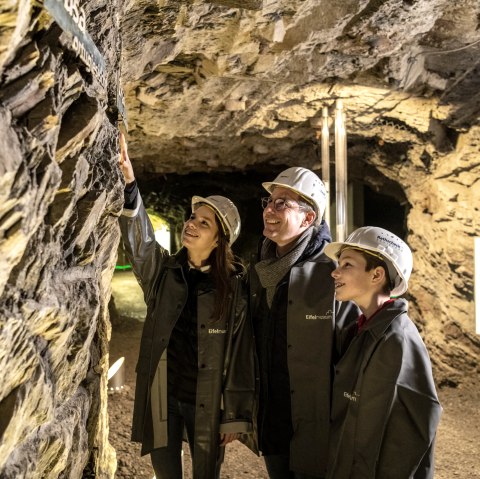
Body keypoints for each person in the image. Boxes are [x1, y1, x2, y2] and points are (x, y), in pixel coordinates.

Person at [117, 133, 256, 479]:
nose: (191, 224)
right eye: (192, 218)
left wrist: (234, 414)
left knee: (206, 473)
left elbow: (240, 354)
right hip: (163, 391)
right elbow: (141, 244)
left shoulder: (235, 289)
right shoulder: (166, 273)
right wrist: (130, 183)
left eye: (203, 223)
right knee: (166, 472)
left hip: (206, 400)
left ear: (219, 239)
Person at [248, 167, 357, 479]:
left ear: (309, 219)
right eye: (269, 201)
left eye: (283, 203)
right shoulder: (261, 270)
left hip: (317, 426)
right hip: (273, 418)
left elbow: (351, 356)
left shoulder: (332, 276)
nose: (270, 209)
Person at [324, 226, 442, 479]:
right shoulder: (364, 329)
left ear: (376, 275)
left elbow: (404, 438)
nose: (335, 272)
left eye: (347, 265)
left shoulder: (395, 340)